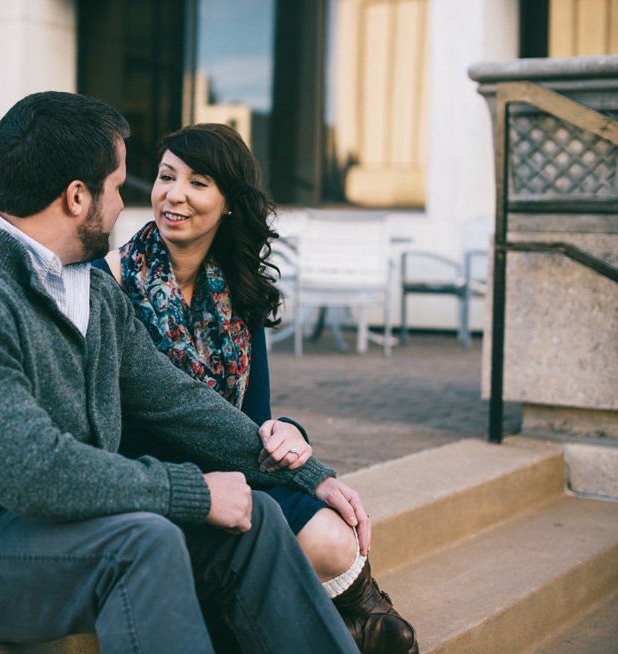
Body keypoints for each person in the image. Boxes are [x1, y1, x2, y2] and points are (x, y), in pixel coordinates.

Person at [0, 91, 363, 654]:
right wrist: (193, 492)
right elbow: (32, 472)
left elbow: (176, 399)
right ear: (77, 197)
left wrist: (309, 475)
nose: (127, 203)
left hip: (73, 520)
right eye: (116, 187)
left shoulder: (88, 286)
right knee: (144, 543)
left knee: (258, 519)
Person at [95, 123, 418, 654]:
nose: (174, 194)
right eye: (166, 176)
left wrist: (288, 433)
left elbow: (255, 415)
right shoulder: (110, 282)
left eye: (198, 183)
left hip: (235, 462)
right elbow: (159, 410)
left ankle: (359, 616)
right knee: (309, 540)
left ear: (228, 204)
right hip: (162, 476)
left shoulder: (237, 290)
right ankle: (346, 622)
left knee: (335, 539)